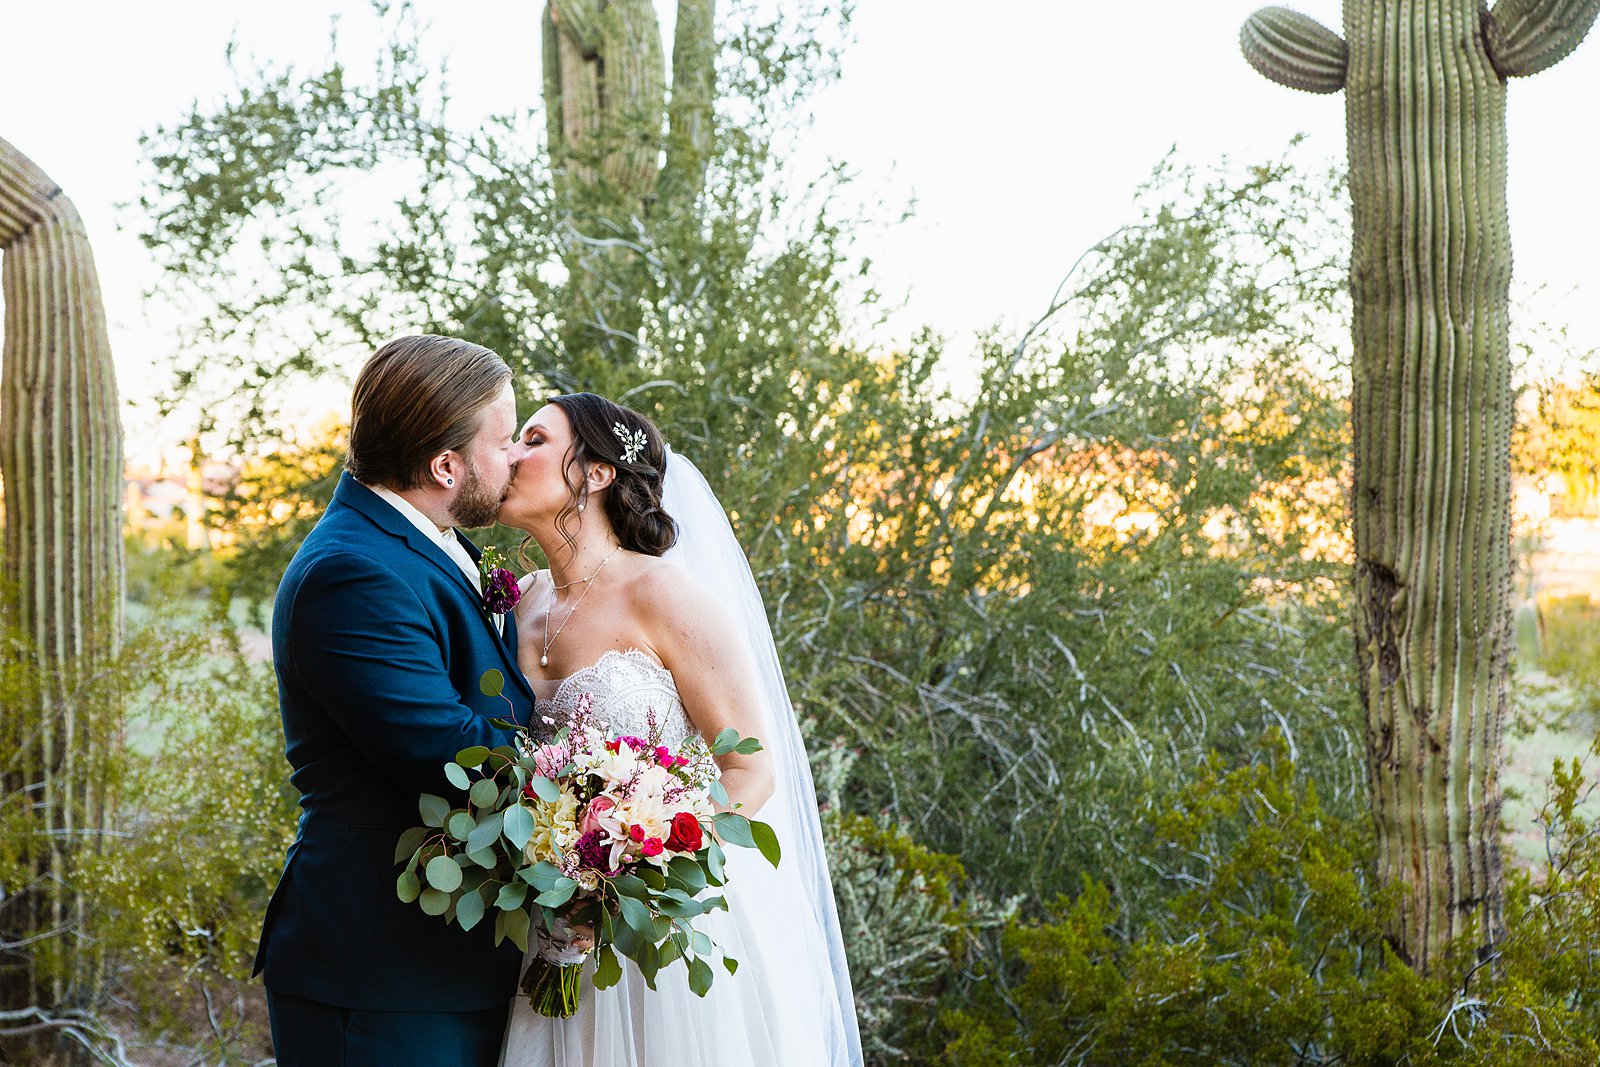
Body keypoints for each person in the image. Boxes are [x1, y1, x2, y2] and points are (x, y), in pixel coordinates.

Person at [496, 392, 862, 1066]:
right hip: (547, 923)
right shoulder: (522, 602)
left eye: (534, 440)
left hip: (656, 929)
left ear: (597, 472)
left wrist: (639, 863)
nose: (509, 455)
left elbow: (751, 767)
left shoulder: (666, 595)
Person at [255, 335, 538, 1067]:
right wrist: (605, 786)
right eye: (504, 441)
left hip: (447, 961)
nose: (514, 460)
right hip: (381, 973)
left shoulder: (425, 541)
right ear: (447, 466)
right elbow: (452, 755)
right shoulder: (352, 572)